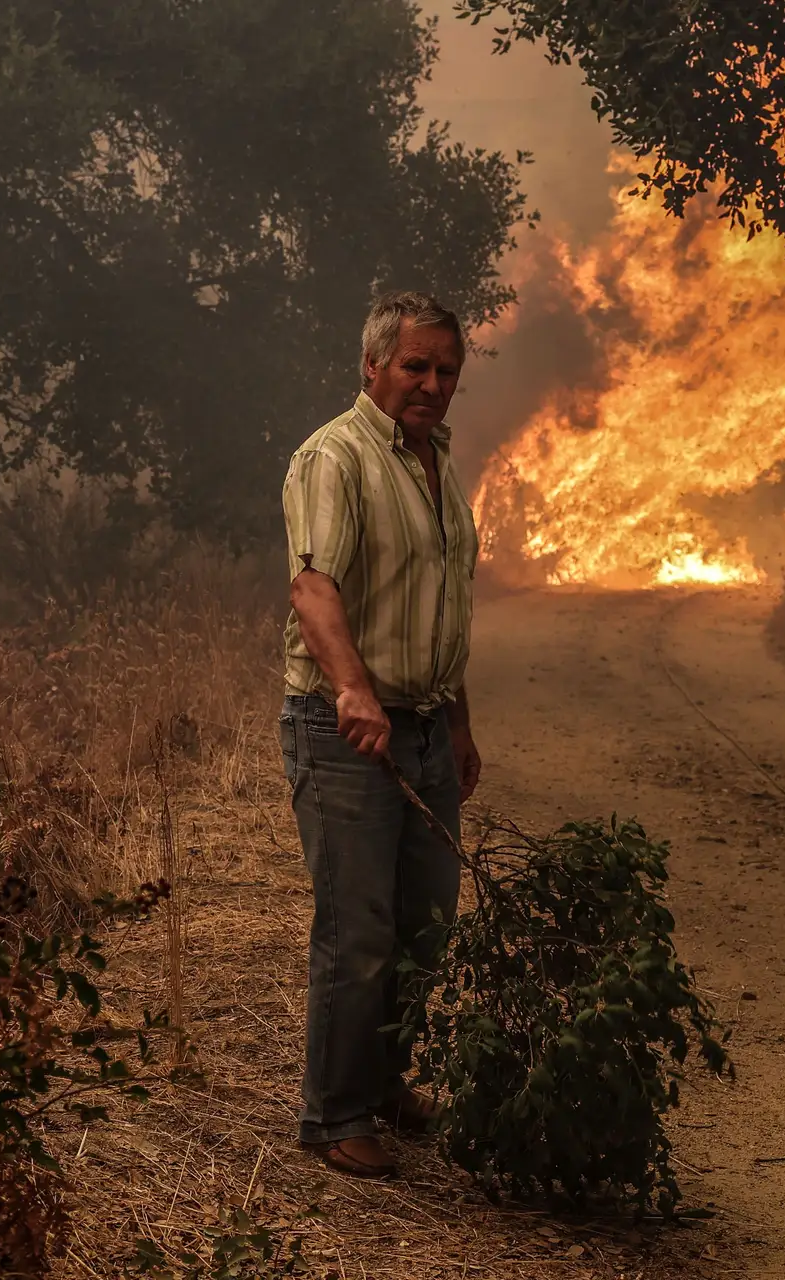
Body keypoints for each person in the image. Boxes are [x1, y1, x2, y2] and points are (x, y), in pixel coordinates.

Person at [279, 291, 482, 1178]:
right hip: (344, 729)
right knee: (358, 930)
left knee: (426, 922)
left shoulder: (436, 462)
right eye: (415, 366)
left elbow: (437, 605)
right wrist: (354, 690)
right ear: (372, 367)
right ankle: (336, 1115)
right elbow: (313, 589)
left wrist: (460, 721)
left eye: (445, 371)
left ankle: (386, 1077)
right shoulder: (337, 457)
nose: (432, 384)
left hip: (429, 727)